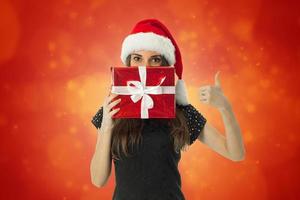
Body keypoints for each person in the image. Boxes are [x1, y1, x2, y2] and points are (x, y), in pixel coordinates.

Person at [90, 18, 245, 200]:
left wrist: (225, 107)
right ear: (128, 63)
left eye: (154, 59)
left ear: (164, 65)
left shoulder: (180, 110)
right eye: (137, 58)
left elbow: (235, 154)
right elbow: (98, 180)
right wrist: (108, 124)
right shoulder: (112, 108)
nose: (145, 67)